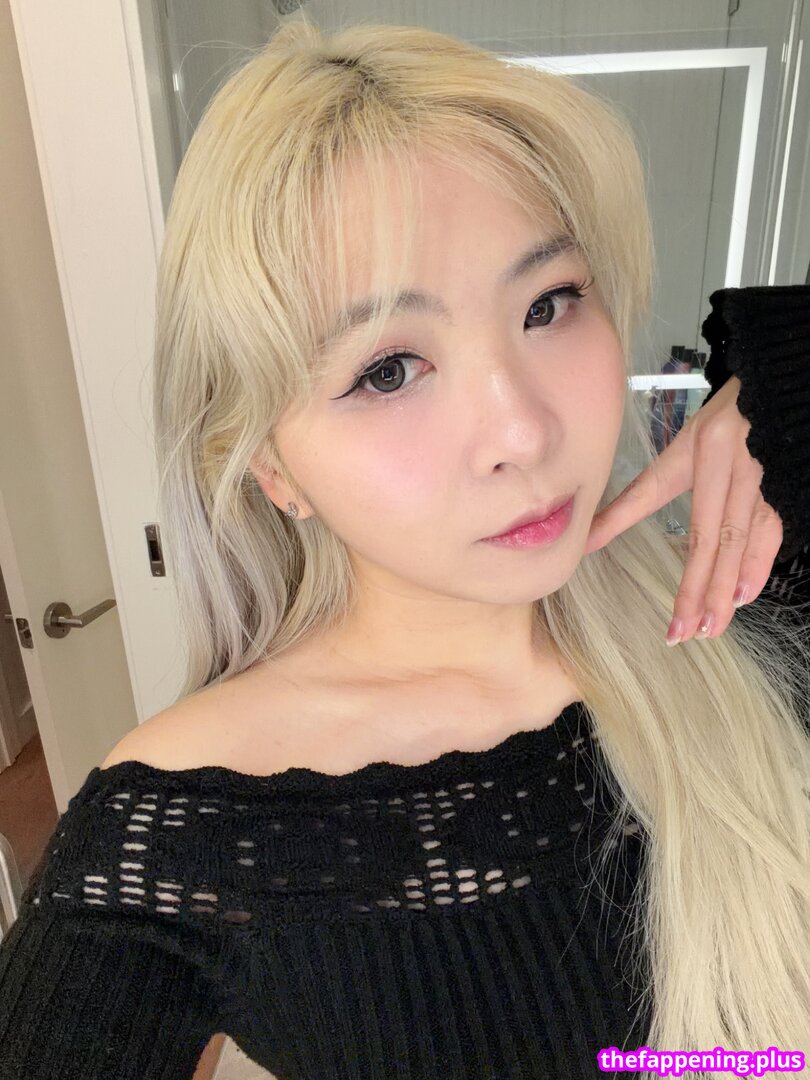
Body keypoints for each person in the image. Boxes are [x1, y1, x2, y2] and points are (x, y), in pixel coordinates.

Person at [1, 16, 809, 1080]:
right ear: (271, 466)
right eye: (387, 370)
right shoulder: (187, 833)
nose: (524, 431)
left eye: (550, 303)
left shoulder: (751, 600)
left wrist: (783, 392)